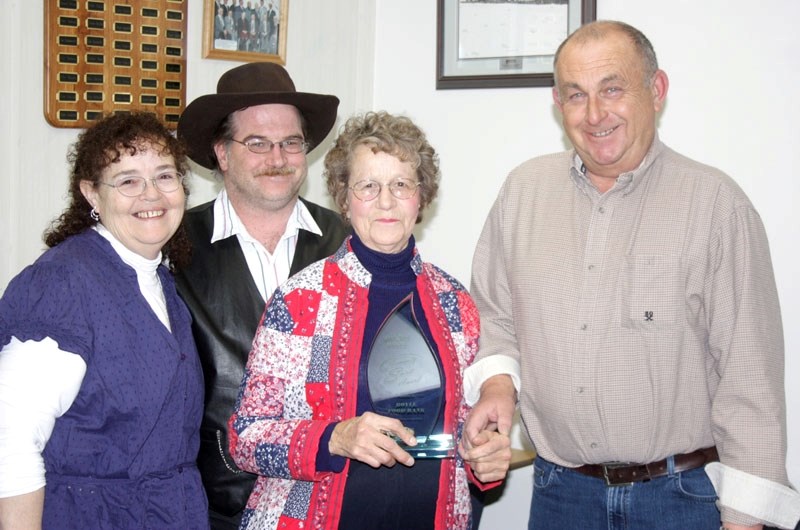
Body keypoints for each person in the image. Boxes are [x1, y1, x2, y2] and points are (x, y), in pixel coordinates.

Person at [463, 20, 800, 530]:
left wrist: (744, 520)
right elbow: (494, 314)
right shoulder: (522, 194)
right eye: (576, 95)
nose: (596, 114)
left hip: (683, 500)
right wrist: (497, 389)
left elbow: (748, 380)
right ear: (558, 104)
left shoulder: (715, 205)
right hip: (559, 494)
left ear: (656, 90)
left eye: (613, 89)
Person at [228, 111, 511, 530]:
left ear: (421, 198)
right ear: (344, 198)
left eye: (401, 184)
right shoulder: (302, 299)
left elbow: (468, 434)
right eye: (368, 186)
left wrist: (485, 457)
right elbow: (245, 439)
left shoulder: (454, 304)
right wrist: (335, 437)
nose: (385, 201)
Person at [0, 112, 208, 529]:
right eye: (128, 181)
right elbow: (11, 437)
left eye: (165, 176)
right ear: (92, 195)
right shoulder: (64, 284)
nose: (152, 195)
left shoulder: (160, 281)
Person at [175, 62, 348, 530]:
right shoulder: (174, 249)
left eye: (291, 142)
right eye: (256, 142)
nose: (278, 156)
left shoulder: (347, 243)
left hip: (329, 502)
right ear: (222, 154)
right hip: (218, 509)